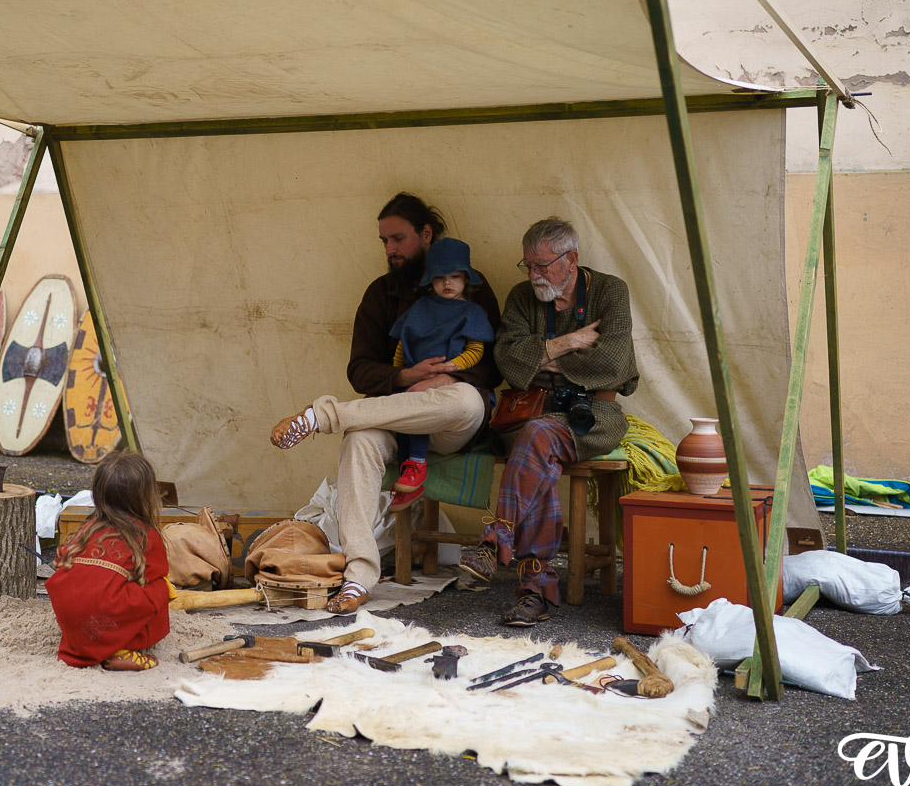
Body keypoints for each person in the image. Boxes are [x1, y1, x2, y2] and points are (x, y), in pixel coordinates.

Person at [270, 193, 501, 615]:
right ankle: (358, 578)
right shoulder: (382, 293)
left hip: (449, 423)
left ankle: (322, 416)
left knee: (467, 401)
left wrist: (450, 376)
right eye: (384, 241)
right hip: (395, 415)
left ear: (426, 234)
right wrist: (405, 377)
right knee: (358, 441)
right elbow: (360, 370)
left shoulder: (471, 285)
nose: (390, 249)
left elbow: (495, 365)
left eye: (398, 238)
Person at [461, 216, 638, 626]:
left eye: (543, 265)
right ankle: (533, 592)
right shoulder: (523, 296)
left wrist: (542, 357)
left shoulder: (610, 292)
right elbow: (507, 358)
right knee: (537, 444)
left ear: (571, 259)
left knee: (536, 439)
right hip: (532, 411)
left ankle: (497, 540)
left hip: (594, 414)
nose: (534, 274)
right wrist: (570, 343)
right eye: (529, 265)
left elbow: (612, 364)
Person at [386, 237, 495, 508]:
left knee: (423, 408)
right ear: (430, 281)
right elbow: (403, 344)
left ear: (466, 280)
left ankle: (419, 464)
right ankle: (407, 477)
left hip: (449, 386)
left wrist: (450, 368)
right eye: (440, 277)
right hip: (415, 377)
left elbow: (476, 350)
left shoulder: (473, 312)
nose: (448, 283)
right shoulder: (419, 309)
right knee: (402, 417)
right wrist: (402, 373)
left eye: (455, 277)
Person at [47, 450, 172, 670]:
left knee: (88, 591)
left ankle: (91, 641)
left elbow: (61, 562)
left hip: (75, 624)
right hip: (105, 618)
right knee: (161, 587)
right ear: (146, 497)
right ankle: (121, 648)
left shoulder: (86, 528)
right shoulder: (145, 535)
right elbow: (158, 573)